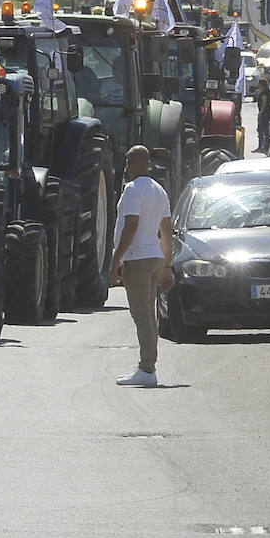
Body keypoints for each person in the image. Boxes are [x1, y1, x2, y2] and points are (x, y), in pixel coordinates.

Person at [108, 145, 174, 388]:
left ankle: (147, 368)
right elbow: (166, 232)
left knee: (142, 315)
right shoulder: (159, 191)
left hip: (137, 259)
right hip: (155, 257)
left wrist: (115, 261)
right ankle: (147, 366)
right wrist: (167, 265)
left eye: (128, 162)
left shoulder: (133, 190)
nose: (125, 168)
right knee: (149, 314)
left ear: (140, 164)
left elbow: (131, 225)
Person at [255, 78, 270, 152]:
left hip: (265, 113)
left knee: (261, 129)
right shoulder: (265, 93)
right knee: (264, 129)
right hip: (267, 113)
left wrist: (260, 114)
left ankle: (263, 146)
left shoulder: (264, 94)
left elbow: (263, 104)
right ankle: (264, 146)